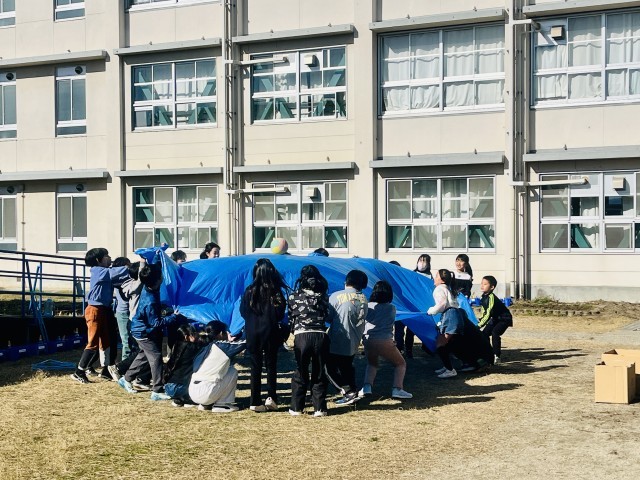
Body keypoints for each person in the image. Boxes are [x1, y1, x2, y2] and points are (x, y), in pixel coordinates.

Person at [118, 263, 178, 400]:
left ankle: (126, 378)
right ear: (158, 280)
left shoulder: (149, 287)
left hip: (141, 329)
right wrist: (174, 316)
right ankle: (157, 390)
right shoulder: (149, 302)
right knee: (156, 356)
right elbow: (155, 323)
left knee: (144, 355)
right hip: (143, 332)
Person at [71, 248, 131, 384]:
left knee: (107, 341)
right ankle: (79, 371)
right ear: (98, 260)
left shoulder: (104, 272)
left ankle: (107, 370)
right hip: (95, 309)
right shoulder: (98, 271)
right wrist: (132, 268)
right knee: (92, 343)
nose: (109, 258)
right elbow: (114, 273)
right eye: (106, 256)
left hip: (104, 309)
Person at [240, 258, 288, 412]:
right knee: (271, 366)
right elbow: (280, 313)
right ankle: (271, 397)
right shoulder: (275, 292)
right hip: (271, 332)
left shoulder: (249, 290)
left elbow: (243, 311)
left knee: (255, 367)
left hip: (252, 332)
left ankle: (254, 400)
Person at [429, 269, 493, 378]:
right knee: (450, 343)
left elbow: (442, 304)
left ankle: (450, 369)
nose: (434, 278)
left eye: (436, 276)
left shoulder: (439, 289)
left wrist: (431, 311)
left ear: (442, 280)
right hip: (455, 315)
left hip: (450, 316)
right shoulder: (448, 288)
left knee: (441, 343)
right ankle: (448, 366)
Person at [287, 265, 331, 417]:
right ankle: (320, 408)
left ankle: (296, 407)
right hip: (320, 335)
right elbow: (327, 314)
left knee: (301, 370)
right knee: (319, 372)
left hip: (302, 336)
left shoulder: (294, 296)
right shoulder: (323, 297)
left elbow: (291, 317)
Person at [360, 281, 412, 399]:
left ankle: (366, 387)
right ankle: (397, 389)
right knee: (400, 364)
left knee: (372, 364)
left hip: (369, 341)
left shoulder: (367, 306)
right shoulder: (391, 308)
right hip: (385, 341)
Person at [326, 269, 368, 406]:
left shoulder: (336, 296)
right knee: (347, 366)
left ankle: (348, 391)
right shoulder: (364, 298)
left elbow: (328, 316)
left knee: (329, 367)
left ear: (346, 281)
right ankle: (352, 389)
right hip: (355, 337)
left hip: (338, 337)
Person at [188, 320, 246, 412]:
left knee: (223, 371)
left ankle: (205, 404)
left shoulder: (205, 347)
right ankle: (222, 404)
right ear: (221, 333)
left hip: (193, 392)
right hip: (206, 393)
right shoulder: (222, 347)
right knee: (232, 371)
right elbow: (244, 343)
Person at [477, 276, 513, 364]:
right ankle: (488, 353)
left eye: (485, 284)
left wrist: (479, 325)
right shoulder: (483, 297)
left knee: (495, 333)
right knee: (484, 334)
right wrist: (480, 320)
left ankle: (497, 356)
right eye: (481, 283)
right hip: (496, 318)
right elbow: (484, 311)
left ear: (492, 287)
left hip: (504, 318)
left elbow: (488, 313)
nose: (482, 286)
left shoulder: (491, 297)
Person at [112, 257, 133, 359]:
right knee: (126, 340)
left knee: (131, 340)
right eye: (128, 264)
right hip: (123, 312)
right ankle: (125, 363)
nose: (130, 266)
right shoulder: (118, 279)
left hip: (129, 311)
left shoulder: (129, 276)